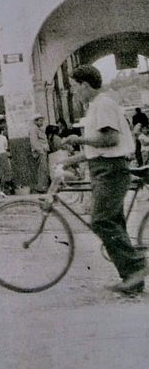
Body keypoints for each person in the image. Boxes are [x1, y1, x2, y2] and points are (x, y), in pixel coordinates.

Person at [58, 65, 147, 295]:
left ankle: (137, 268)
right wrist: (70, 159)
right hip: (103, 168)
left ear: (86, 85)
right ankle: (132, 278)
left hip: (111, 170)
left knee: (101, 221)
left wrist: (80, 139)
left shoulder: (104, 104)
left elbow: (109, 139)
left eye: (76, 87)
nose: (75, 92)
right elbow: (98, 147)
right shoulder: (96, 106)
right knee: (113, 222)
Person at [29, 113, 51, 193]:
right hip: (40, 152)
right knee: (42, 170)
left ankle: (43, 186)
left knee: (44, 170)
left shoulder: (39, 129)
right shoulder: (33, 129)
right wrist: (40, 151)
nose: (42, 122)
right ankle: (41, 187)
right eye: (40, 121)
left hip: (43, 151)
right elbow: (34, 142)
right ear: (36, 121)